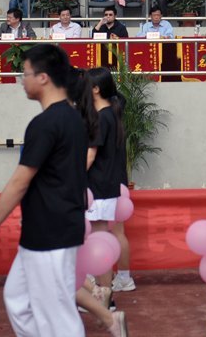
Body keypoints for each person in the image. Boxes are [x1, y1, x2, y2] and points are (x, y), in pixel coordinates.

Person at [0, 44, 100, 336]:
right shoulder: (71, 118)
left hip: (51, 229)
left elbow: (21, 180)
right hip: (48, 228)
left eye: (25, 73)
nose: (22, 80)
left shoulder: (47, 123)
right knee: (18, 299)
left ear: (43, 77)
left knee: (56, 313)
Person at [84, 68, 126, 310]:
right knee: (99, 242)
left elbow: (90, 154)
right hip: (104, 188)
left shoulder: (102, 117)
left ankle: (105, 299)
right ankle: (104, 298)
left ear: (96, 89)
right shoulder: (110, 114)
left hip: (98, 189)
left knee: (98, 245)